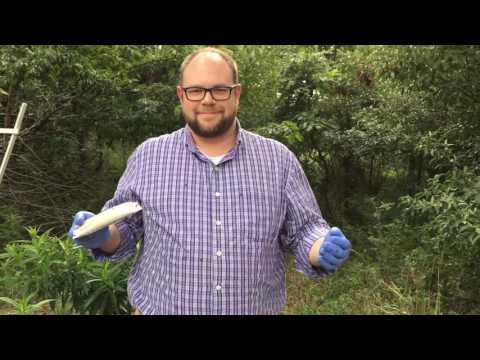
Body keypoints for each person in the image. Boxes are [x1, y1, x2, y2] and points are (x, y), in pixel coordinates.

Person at [68, 47, 351, 315]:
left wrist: (319, 247)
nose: (207, 99)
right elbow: (124, 227)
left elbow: (304, 230)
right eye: (195, 90)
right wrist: (103, 235)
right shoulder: (148, 156)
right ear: (181, 95)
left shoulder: (279, 160)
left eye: (219, 89)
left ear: (236, 94)